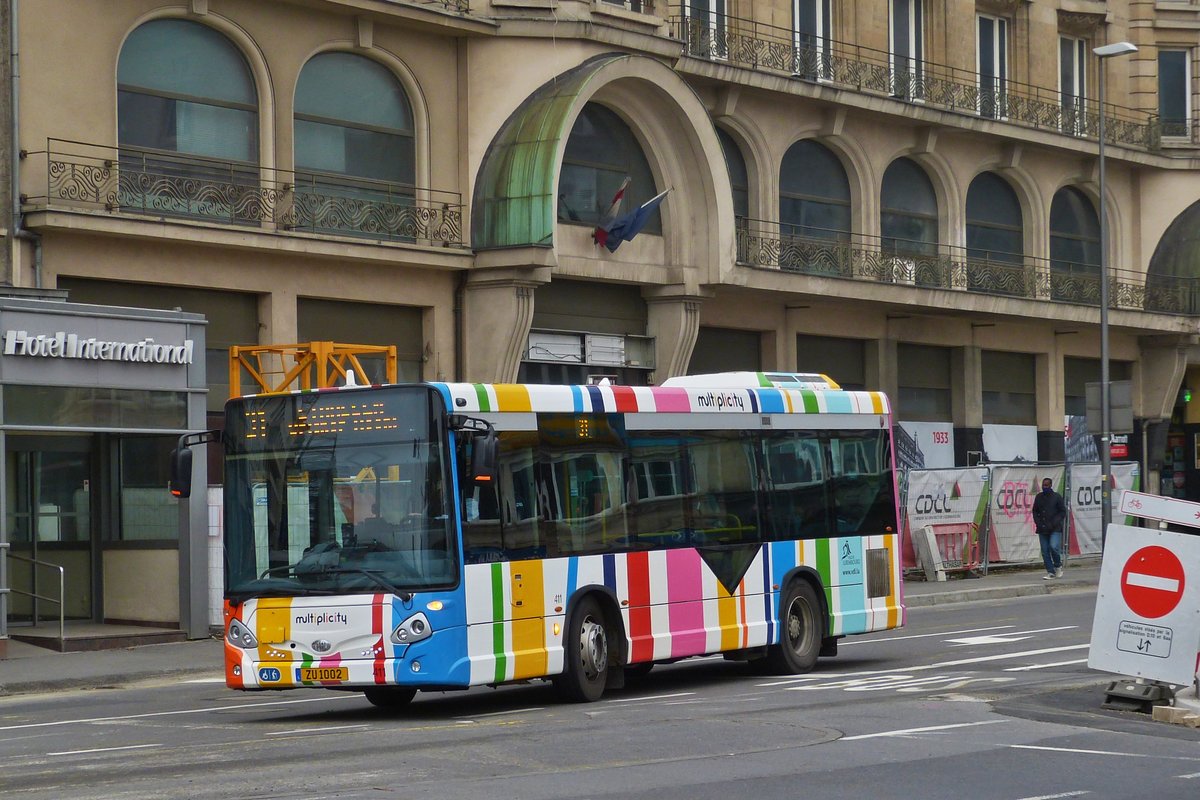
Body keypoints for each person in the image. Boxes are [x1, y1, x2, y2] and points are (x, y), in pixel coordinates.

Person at [1031, 477, 1066, 579]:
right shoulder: (1039, 497)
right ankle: (1050, 572)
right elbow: (1035, 511)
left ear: (1051, 485)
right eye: (1043, 485)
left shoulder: (1057, 497)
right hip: (1042, 528)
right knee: (1045, 551)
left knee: (1054, 546)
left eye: (1046, 485)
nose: (1044, 487)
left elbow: (1062, 511)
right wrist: (1038, 522)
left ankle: (1057, 565)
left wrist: (1055, 522)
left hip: (1055, 528)